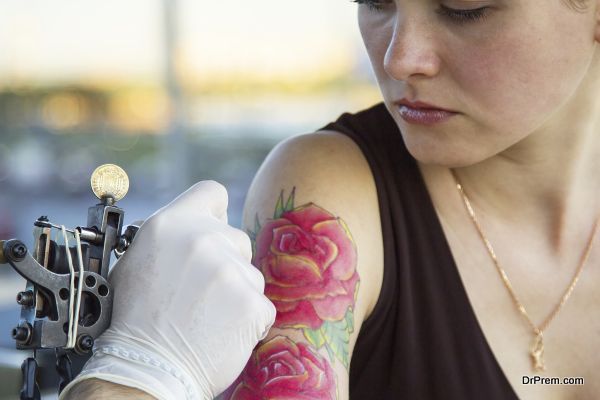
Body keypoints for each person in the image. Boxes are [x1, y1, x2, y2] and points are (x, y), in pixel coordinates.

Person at [62, 0, 600, 398]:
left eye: (463, 8)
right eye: (375, 2)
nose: (398, 58)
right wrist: (140, 373)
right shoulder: (329, 192)